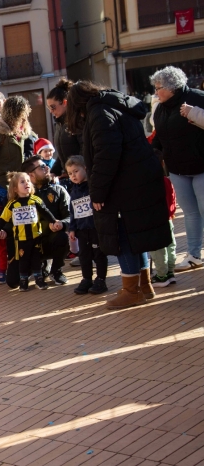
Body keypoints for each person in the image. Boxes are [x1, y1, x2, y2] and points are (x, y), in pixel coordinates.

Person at [67, 80, 171, 309]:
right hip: (137, 180)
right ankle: (143, 286)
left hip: (123, 185)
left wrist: (98, 192)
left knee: (122, 237)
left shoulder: (100, 114)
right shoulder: (114, 105)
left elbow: (106, 157)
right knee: (135, 236)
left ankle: (131, 290)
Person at [151, 66, 204, 272]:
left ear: (172, 87)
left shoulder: (198, 98)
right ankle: (194, 255)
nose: (156, 92)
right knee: (191, 213)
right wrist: (152, 152)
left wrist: (194, 114)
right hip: (176, 169)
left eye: (158, 88)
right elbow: (159, 136)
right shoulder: (160, 108)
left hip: (201, 166)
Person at [0, 173, 61, 292]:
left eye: (28, 181)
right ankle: (23, 281)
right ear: (15, 188)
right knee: (23, 260)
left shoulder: (35, 200)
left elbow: (45, 212)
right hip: (21, 239)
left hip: (35, 237)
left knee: (36, 259)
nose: (27, 183)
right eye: (22, 182)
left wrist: (54, 221)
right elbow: (3, 219)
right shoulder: (12, 204)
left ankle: (39, 280)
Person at [47, 79, 82, 262]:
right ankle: (81, 251)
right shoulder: (60, 123)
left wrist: (80, 171)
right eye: (49, 108)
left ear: (65, 102)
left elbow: (84, 149)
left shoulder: (77, 121)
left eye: (54, 107)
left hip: (82, 176)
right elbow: (62, 154)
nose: (52, 111)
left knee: (85, 217)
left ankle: (90, 252)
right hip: (71, 177)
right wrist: (53, 171)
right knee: (76, 215)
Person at [23, 155, 71, 285]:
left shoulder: (59, 191)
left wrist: (62, 224)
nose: (47, 168)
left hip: (51, 239)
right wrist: (46, 225)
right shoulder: (24, 195)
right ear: (31, 175)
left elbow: (70, 216)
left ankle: (56, 271)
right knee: (14, 281)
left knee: (62, 237)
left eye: (46, 165)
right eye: (42, 167)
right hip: (30, 242)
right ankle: (36, 267)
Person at [65, 156, 108, 295]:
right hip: (82, 229)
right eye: (70, 173)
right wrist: (72, 228)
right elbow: (73, 211)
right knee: (84, 255)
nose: (73, 176)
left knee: (99, 254)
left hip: (95, 227)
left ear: (85, 168)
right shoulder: (74, 191)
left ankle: (101, 279)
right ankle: (87, 278)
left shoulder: (92, 187)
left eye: (76, 171)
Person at [150, 152, 178, 288]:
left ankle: (162, 275)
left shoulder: (148, 184)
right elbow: (173, 198)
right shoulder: (166, 180)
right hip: (167, 218)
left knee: (157, 248)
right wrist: (171, 212)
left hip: (155, 220)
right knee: (170, 244)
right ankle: (170, 271)